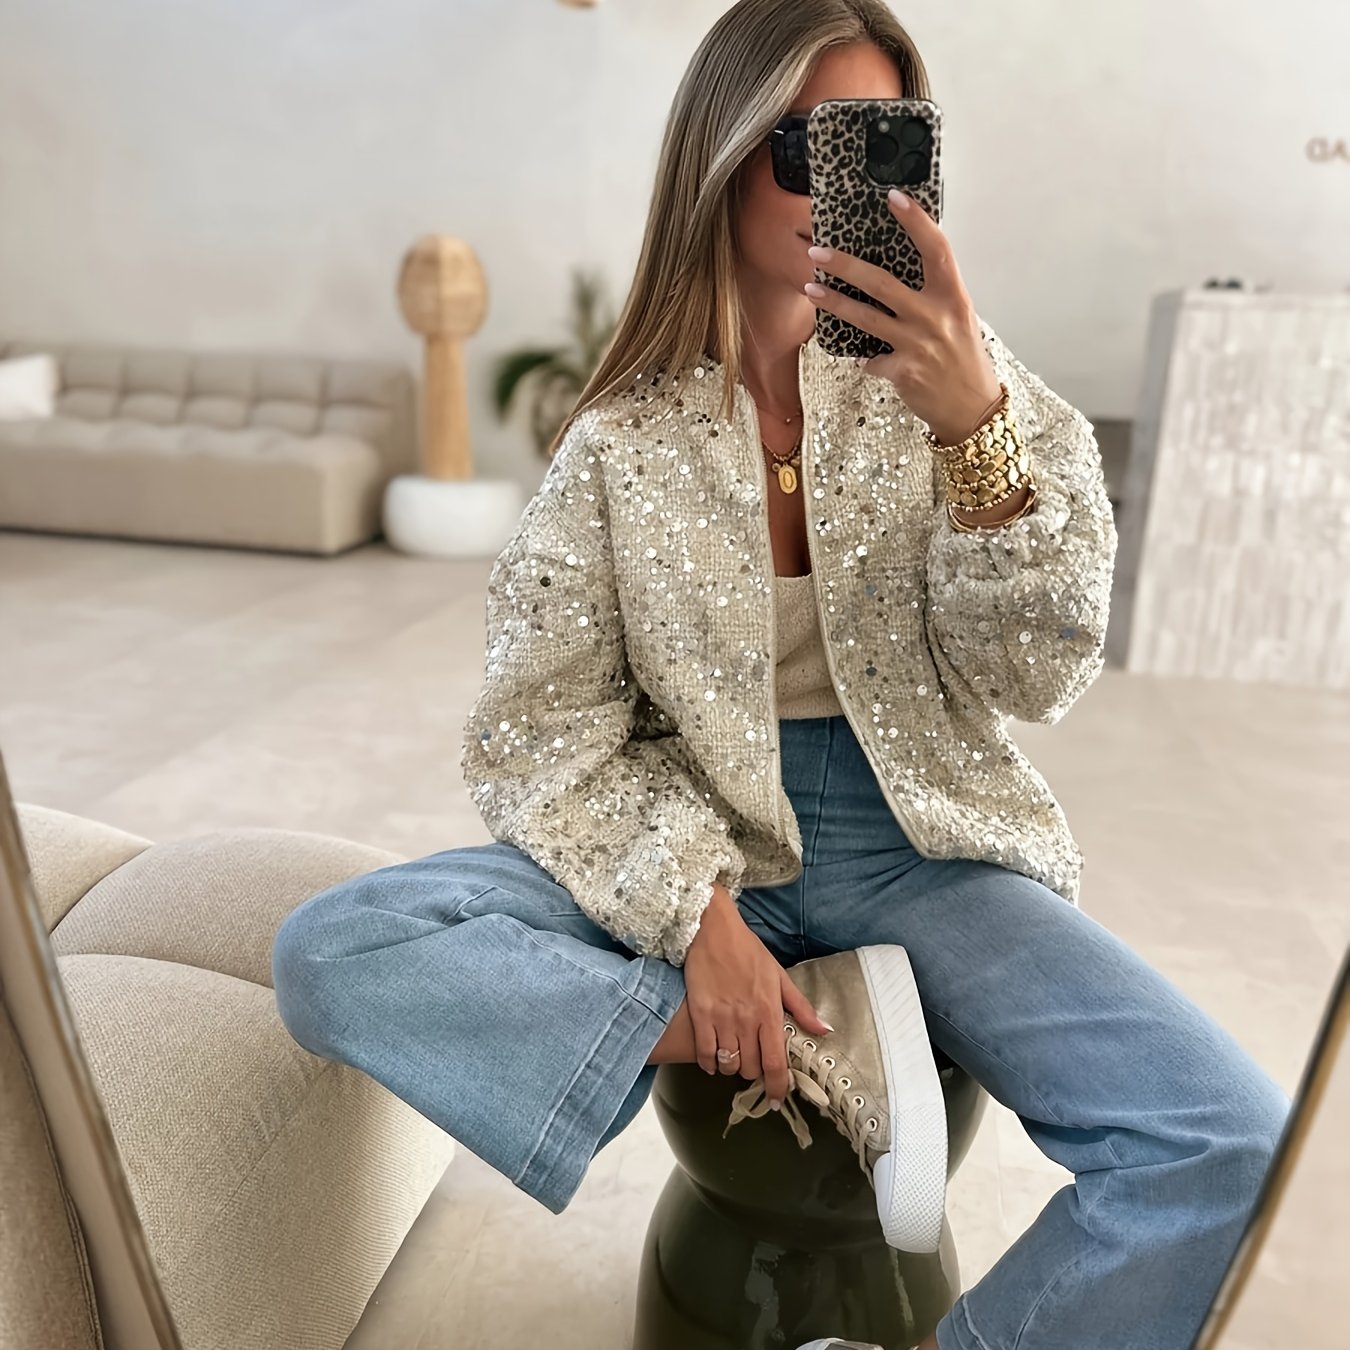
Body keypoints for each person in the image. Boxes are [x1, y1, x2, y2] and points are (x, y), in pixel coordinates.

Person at [271, 3, 1292, 1347]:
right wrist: (699, 925)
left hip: (916, 842)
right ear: (723, 154)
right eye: (809, 147)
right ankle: (819, 1034)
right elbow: (539, 733)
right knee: (334, 951)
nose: (846, 187)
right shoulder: (620, 444)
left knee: (1230, 1145)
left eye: (885, 146)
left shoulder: (967, 385)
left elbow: (1034, 674)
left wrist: (975, 441)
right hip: (690, 829)